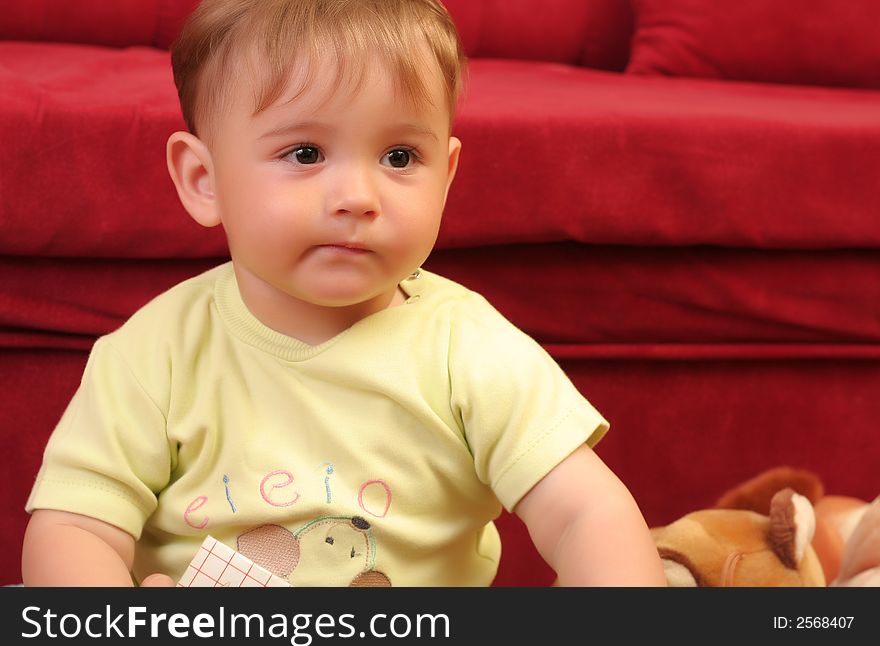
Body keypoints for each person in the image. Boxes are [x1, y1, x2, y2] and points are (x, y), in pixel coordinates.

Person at [21, 0, 666, 587]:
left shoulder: (470, 349)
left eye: (400, 157)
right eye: (305, 153)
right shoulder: (153, 352)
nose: (359, 197)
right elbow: (75, 528)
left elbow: (587, 512)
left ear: (447, 175)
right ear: (204, 180)